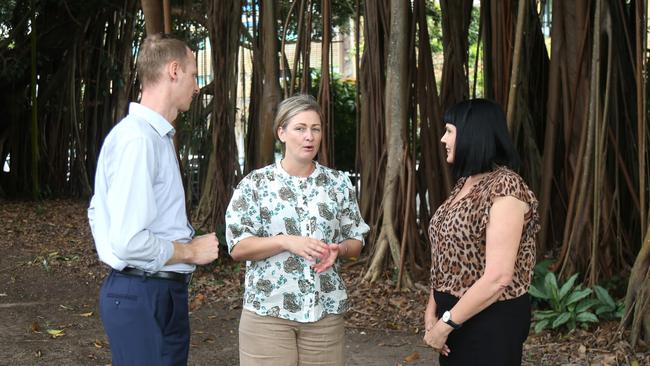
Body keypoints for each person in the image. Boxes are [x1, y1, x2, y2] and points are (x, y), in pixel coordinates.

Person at [87, 34, 220, 365]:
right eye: (193, 74)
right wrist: (190, 251)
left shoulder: (152, 137)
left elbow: (96, 209)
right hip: (143, 291)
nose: (197, 85)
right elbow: (129, 240)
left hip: (154, 290)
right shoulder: (138, 140)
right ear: (174, 71)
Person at [225, 94, 369, 366]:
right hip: (268, 313)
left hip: (324, 313)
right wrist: (286, 242)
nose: (309, 137)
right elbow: (238, 247)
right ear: (282, 132)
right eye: (300, 128)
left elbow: (355, 240)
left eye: (315, 129)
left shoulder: (338, 183)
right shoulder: (255, 184)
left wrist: (340, 249)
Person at [423, 99, 539, 365]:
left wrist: (445, 325)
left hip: (489, 321)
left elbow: (498, 277)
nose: (443, 139)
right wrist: (432, 310)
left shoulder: (506, 187)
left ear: (472, 134)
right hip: (454, 319)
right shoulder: (467, 182)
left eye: (449, 131)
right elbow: (446, 255)